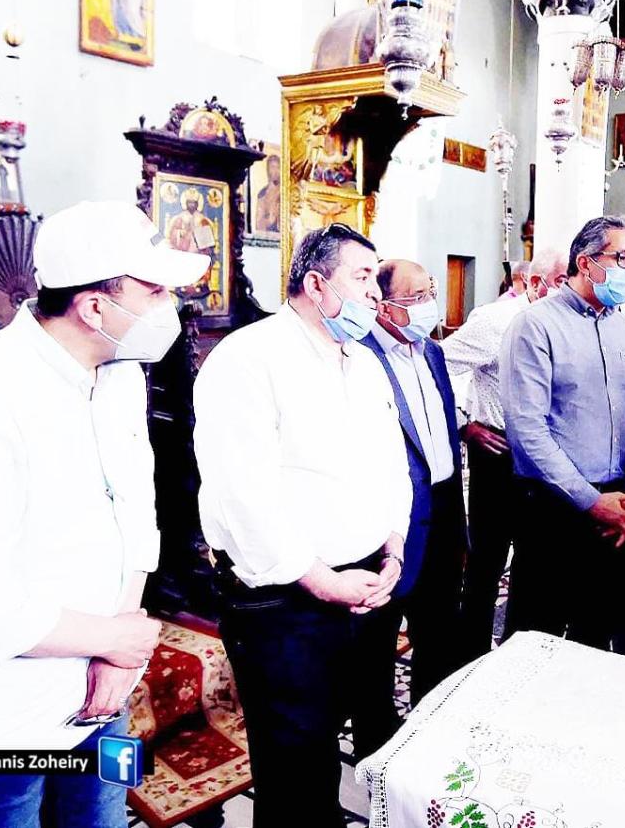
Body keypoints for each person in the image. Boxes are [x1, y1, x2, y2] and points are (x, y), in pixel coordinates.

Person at [0, 200, 208, 827]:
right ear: (94, 307)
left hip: (106, 692)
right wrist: (114, 641)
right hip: (1, 716)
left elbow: (137, 516)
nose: (170, 307)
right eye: (154, 291)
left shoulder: (121, 375)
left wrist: (117, 655)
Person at [194, 224, 409, 828]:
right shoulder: (248, 358)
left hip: (365, 583)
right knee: (294, 762)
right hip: (287, 598)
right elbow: (243, 494)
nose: (376, 292)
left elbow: (392, 463)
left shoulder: (364, 362)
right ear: (316, 285)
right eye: (362, 278)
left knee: (340, 732)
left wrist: (393, 546)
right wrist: (320, 579)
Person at [501, 216, 625, 655]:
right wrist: (590, 501)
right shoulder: (536, 325)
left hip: (618, 504)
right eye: (621, 258)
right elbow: (527, 429)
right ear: (586, 263)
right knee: (536, 644)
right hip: (554, 509)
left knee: (597, 639)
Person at [442, 254, 568, 662]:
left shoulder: (569, 324)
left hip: (548, 461)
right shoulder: (496, 321)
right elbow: (435, 366)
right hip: (499, 457)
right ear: (534, 283)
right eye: (558, 279)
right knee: (486, 563)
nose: (566, 287)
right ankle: (471, 658)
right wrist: (464, 424)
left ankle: (517, 659)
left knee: (535, 565)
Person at [363, 259, 467, 705]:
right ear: (384, 306)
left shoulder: (433, 352)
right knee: (376, 646)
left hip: (442, 511)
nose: (429, 306)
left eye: (431, 294)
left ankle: (431, 721)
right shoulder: (361, 357)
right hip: (392, 520)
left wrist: (460, 524)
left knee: (440, 635)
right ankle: (378, 735)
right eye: (417, 297)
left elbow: (445, 434)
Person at [255, 154, 281, 233]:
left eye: (278, 167)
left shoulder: (284, 191)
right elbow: (259, 222)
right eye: (272, 167)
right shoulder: (262, 194)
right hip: (267, 233)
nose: (275, 171)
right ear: (268, 170)